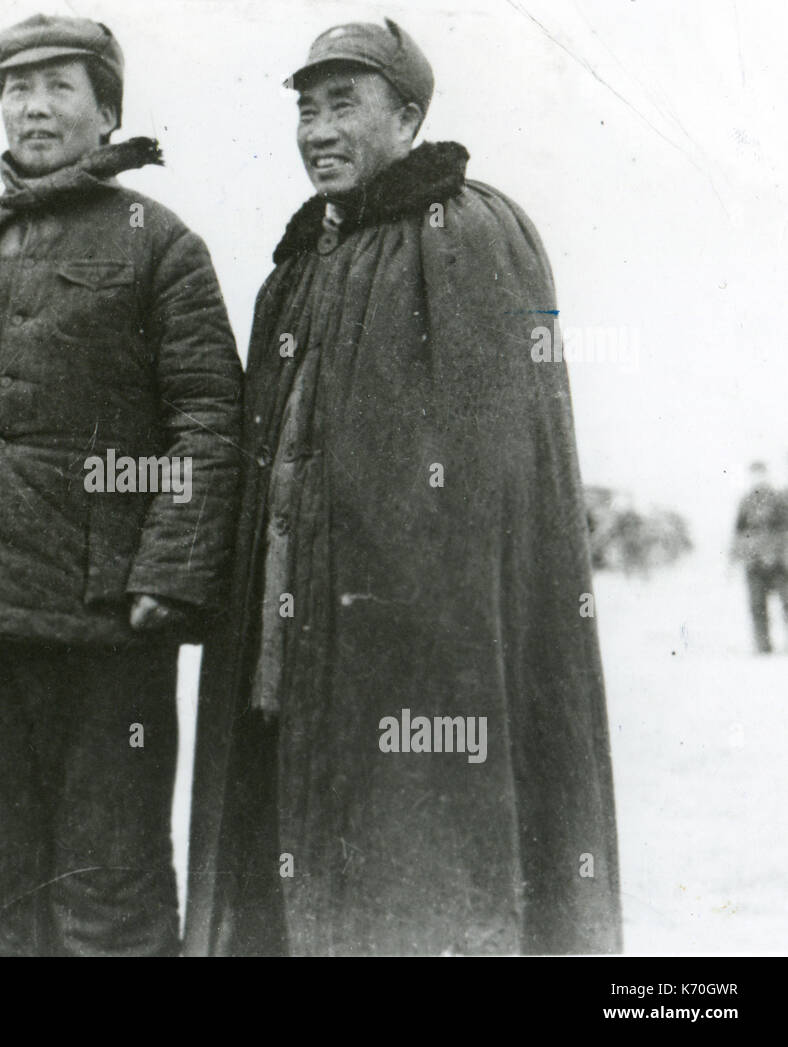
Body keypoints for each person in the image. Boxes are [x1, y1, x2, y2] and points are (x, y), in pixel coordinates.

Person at [185, 18, 622, 956]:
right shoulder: (295, 269)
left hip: (427, 662)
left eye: (344, 104)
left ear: (410, 116)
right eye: (306, 111)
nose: (318, 131)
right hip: (290, 650)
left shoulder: (469, 232)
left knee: (421, 877)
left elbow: (495, 480)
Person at [0, 14, 242, 956]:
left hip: (106, 624)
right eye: (17, 88)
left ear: (107, 110)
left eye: (60, 86)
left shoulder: (162, 244)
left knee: (108, 886)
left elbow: (206, 418)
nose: (34, 106)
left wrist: (170, 571)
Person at [730, 461, 788, 653]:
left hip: (778, 559)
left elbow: (784, 527)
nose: (758, 479)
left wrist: (779, 551)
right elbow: (738, 531)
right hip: (754, 560)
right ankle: (763, 646)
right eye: (754, 475)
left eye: (761, 474)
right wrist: (735, 557)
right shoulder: (745, 501)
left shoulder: (779, 498)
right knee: (757, 604)